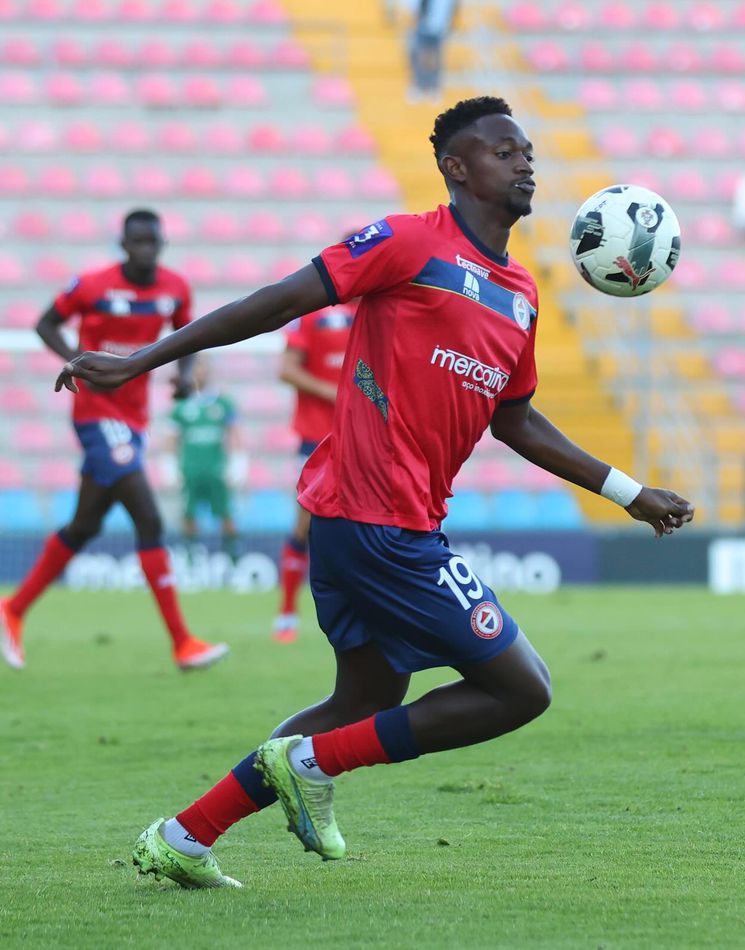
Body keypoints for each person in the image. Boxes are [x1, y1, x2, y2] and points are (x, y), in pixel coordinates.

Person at [55, 97, 694, 889]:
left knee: (360, 701)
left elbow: (516, 421)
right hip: (374, 521)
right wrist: (144, 357)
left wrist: (627, 491)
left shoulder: (520, 295)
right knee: (522, 689)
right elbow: (281, 300)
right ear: (456, 167)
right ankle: (309, 766)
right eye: (504, 151)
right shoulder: (406, 241)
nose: (525, 163)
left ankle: (183, 838)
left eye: (528, 151)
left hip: (380, 523)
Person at [0, 209, 228, 672]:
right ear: (123, 244)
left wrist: (186, 378)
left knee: (83, 526)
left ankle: (13, 609)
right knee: (147, 517)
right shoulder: (91, 285)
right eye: (137, 242)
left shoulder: (175, 288)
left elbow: (189, 339)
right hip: (96, 414)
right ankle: (182, 642)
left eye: (152, 242)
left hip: (134, 417)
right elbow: (46, 324)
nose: (145, 249)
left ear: (161, 244)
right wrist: (76, 361)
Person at [273, 300, 355, 643]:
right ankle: (288, 612)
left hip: (366, 436)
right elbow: (286, 369)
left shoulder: (384, 308)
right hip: (317, 437)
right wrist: (334, 392)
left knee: (364, 527)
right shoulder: (313, 314)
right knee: (305, 525)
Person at [167, 356, 244, 562]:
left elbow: (234, 433)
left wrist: (238, 462)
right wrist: (169, 465)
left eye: (201, 367)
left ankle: (233, 558)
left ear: (208, 371)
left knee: (225, 514)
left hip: (217, 468)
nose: (198, 372)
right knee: (188, 515)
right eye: (194, 368)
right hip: (190, 469)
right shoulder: (181, 404)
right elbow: (172, 439)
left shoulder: (223, 402)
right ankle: (191, 559)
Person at [408, 0, 459, 100]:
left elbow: (452, 10)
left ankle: (434, 86)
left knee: (436, 58)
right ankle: (419, 84)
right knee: (419, 56)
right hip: (422, 27)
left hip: (439, 28)